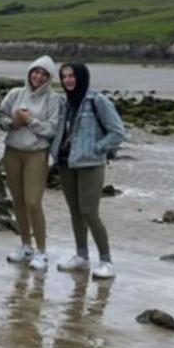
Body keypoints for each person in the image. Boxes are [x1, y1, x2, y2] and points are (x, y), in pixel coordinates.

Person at [52, 63, 126, 280]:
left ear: (82, 77)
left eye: (72, 76)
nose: (68, 80)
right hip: (66, 163)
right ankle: (81, 257)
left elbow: (117, 132)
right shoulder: (65, 103)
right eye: (64, 76)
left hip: (90, 164)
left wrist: (95, 148)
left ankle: (106, 260)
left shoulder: (97, 101)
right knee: (75, 211)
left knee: (90, 212)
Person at [0, 56, 63, 270]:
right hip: (12, 153)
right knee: (18, 202)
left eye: (44, 74)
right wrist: (12, 122)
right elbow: (1, 117)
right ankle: (25, 245)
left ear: (49, 78)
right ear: (29, 72)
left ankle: (42, 251)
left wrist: (29, 121)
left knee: (33, 202)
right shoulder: (16, 94)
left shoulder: (54, 99)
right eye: (36, 72)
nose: (38, 77)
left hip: (37, 153)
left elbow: (52, 129)